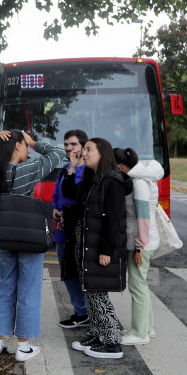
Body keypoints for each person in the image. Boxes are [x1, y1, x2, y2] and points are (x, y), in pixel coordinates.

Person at [0, 130, 65, 362]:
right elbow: (58, 153)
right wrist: (35, 143)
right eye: (24, 145)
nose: (27, 149)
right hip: (29, 234)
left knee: (4, 287)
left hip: (5, 234)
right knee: (29, 289)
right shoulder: (29, 169)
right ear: (19, 145)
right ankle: (23, 346)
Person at [62, 138, 132, 359]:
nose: (84, 153)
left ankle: (112, 342)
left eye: (88, 149)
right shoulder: (92, 179)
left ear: (103, 153)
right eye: (84, 150)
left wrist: (106, 250)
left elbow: (114, 220)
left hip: (98, 245)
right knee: (89, 290)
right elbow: (73, 196)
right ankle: (97, 333)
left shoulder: (112, 182)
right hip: (85, 243)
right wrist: (73, 170)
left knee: (97, 293)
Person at [114, 147, 163, 345]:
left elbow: (143, 217)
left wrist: (139, 246)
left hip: (142, 240)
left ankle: (139, 333)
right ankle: (146, 328)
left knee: (137, 287)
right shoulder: (144, 179)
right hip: (143, 239)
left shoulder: (139, 183)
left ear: (118, 166)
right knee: (141, 285)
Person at [52, 129, 90, 329]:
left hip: (79, 231)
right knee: (67, 272)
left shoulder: (89, 172)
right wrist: (55, 210)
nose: (68, 148)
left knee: (82, 272)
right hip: (61, 230)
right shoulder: (63, 169)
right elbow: (57, 196)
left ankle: (85, 311)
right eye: (66, 144)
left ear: (83, 147)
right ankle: (81, 311)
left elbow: (77, 197)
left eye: (73, 144)